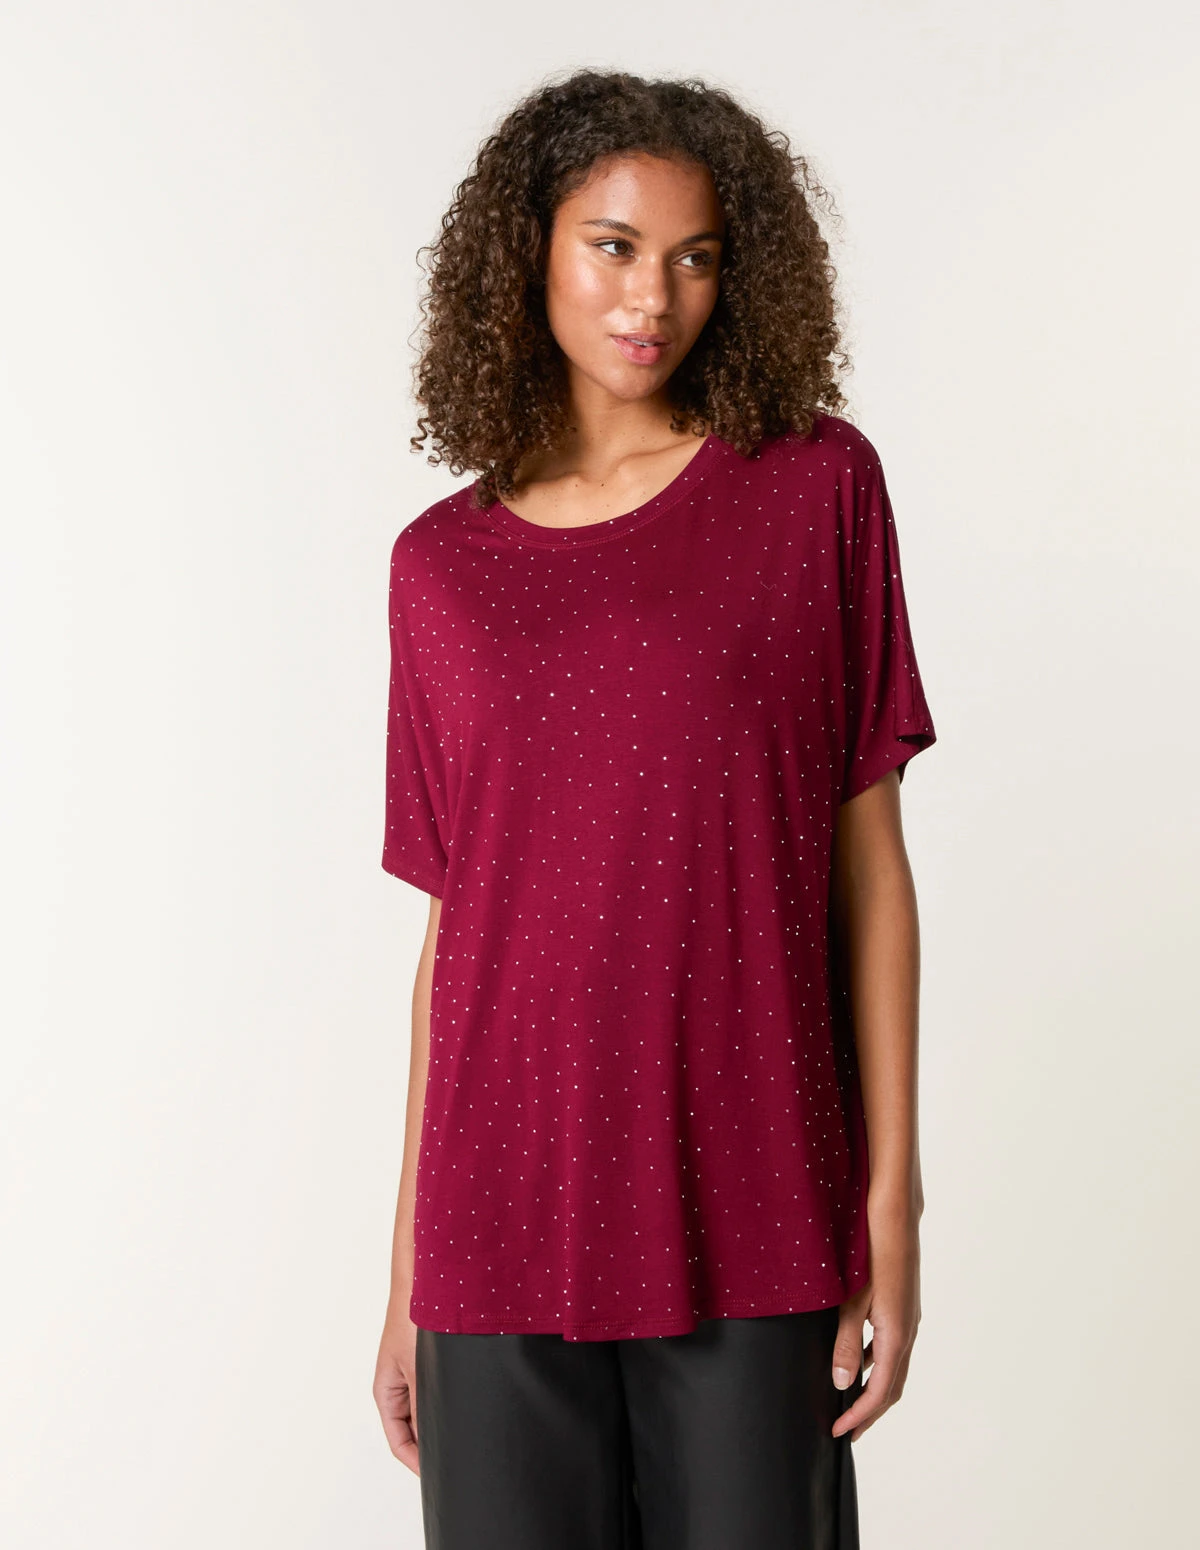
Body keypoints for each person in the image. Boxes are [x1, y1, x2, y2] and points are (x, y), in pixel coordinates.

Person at [373, 67, 937, 1550]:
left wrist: (892, 1201)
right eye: (614, 246)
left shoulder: (811, 487)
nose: (653, 298)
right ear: (529, 252)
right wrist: (408, 1274)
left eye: (696, 257)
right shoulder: (439, 566)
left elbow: (871, 869)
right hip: (496, 1222)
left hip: (756, 1198)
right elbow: (455, 940)